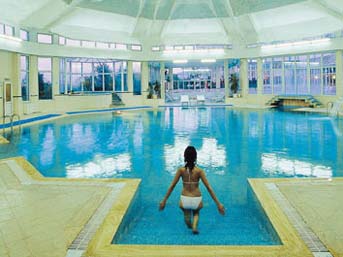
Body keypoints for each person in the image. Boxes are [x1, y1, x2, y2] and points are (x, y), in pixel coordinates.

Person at [159, 146, 225, 234]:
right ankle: (194, 226)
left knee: (186, 214)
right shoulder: (199, 171)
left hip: (185, 198)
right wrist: (218, 204)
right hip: (196, 198)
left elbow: (172, 186)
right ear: (195, 157)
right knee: (196, 213)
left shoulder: (181, 170)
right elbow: (208, 187)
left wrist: (164, 200)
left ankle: (189, 223)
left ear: (184, 157)